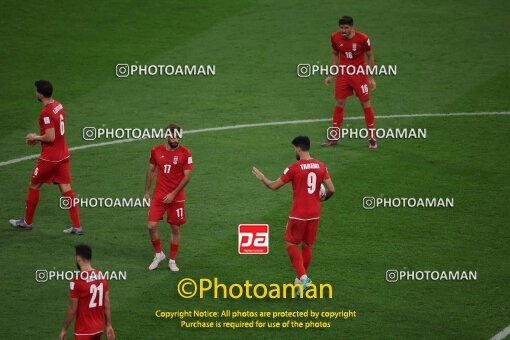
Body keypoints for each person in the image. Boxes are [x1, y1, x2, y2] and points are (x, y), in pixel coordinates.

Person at [252, 136, 335, 294]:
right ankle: (300, 282)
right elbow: (331, 189)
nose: (294, 151)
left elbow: (273, 186)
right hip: (315, 213)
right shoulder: (321, 166)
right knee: (307, 245)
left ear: (298, 148)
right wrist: (321, 199)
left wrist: (263, 178)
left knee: (290, 244)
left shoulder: (294, 168)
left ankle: (303, 278)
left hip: (299, 213)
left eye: (294, 149)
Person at [9, 80, 82, 234]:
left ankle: (27, 222)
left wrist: (35, 137)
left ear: (40, 94)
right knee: (66, 188)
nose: (35, 92)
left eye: (36, 90)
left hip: (50, 157)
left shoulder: (46, 113)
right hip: (63, 154)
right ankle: (77, 226)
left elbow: (50, 137)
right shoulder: (58, 105)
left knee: (34, 184)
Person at [322, 16, 378, 149]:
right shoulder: (334, 37)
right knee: (339, 102)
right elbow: (335, 54)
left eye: (346, 28)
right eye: (341, 28)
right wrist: (332, 74)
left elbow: (370, 56)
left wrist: (370, 77)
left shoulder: (363, 38)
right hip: (343, 74)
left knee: (365, 103)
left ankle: (372, 138)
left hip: (359, 75)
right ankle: (334, 136)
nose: (343, 30)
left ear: (352, 27)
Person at [144, 124, 193, 272]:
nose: (175, 139)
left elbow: (187, 176)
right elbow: (151, 170)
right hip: (159, 194)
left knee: (175, 228)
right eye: (172, 136)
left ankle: (172, 260)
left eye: (177, 136)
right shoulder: (156, 151)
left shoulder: (186, 153)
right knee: (151, 225)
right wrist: (146, 192)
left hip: (176, 197)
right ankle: (159, 254)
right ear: (166, 136)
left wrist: (173, 193)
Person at [59, 244, 115, 340]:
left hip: (84, 331)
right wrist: (109, 325)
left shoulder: (76, 281)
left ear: (78, 258)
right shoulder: (101, 276)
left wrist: (64, 329)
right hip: (99, 328)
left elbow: (73, 309)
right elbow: (107, 304)